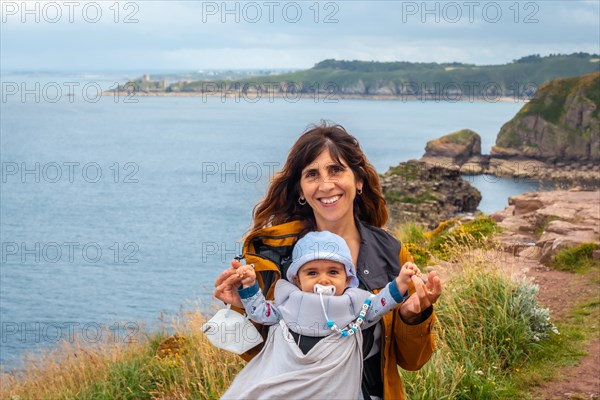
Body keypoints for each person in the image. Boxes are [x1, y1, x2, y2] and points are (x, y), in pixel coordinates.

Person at [214, 122, 443, 400]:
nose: (325, 185)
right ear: (300, 189)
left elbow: (412, 362)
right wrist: (237, 309)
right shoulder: (271, 253)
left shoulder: (392, 253)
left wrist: (412, 316)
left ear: (358, 181)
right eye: (312, 174)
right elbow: (249, 351)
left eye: (336, 170)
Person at [220, 230, 421, 399]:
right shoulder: (288, 302)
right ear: (297, 280)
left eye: (333, 272)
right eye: (312, 273)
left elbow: (380, 305)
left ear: (347, 278)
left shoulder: (355, 305)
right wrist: (249, 286)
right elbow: (259, 313)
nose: (323, 280)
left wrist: (401, 282)